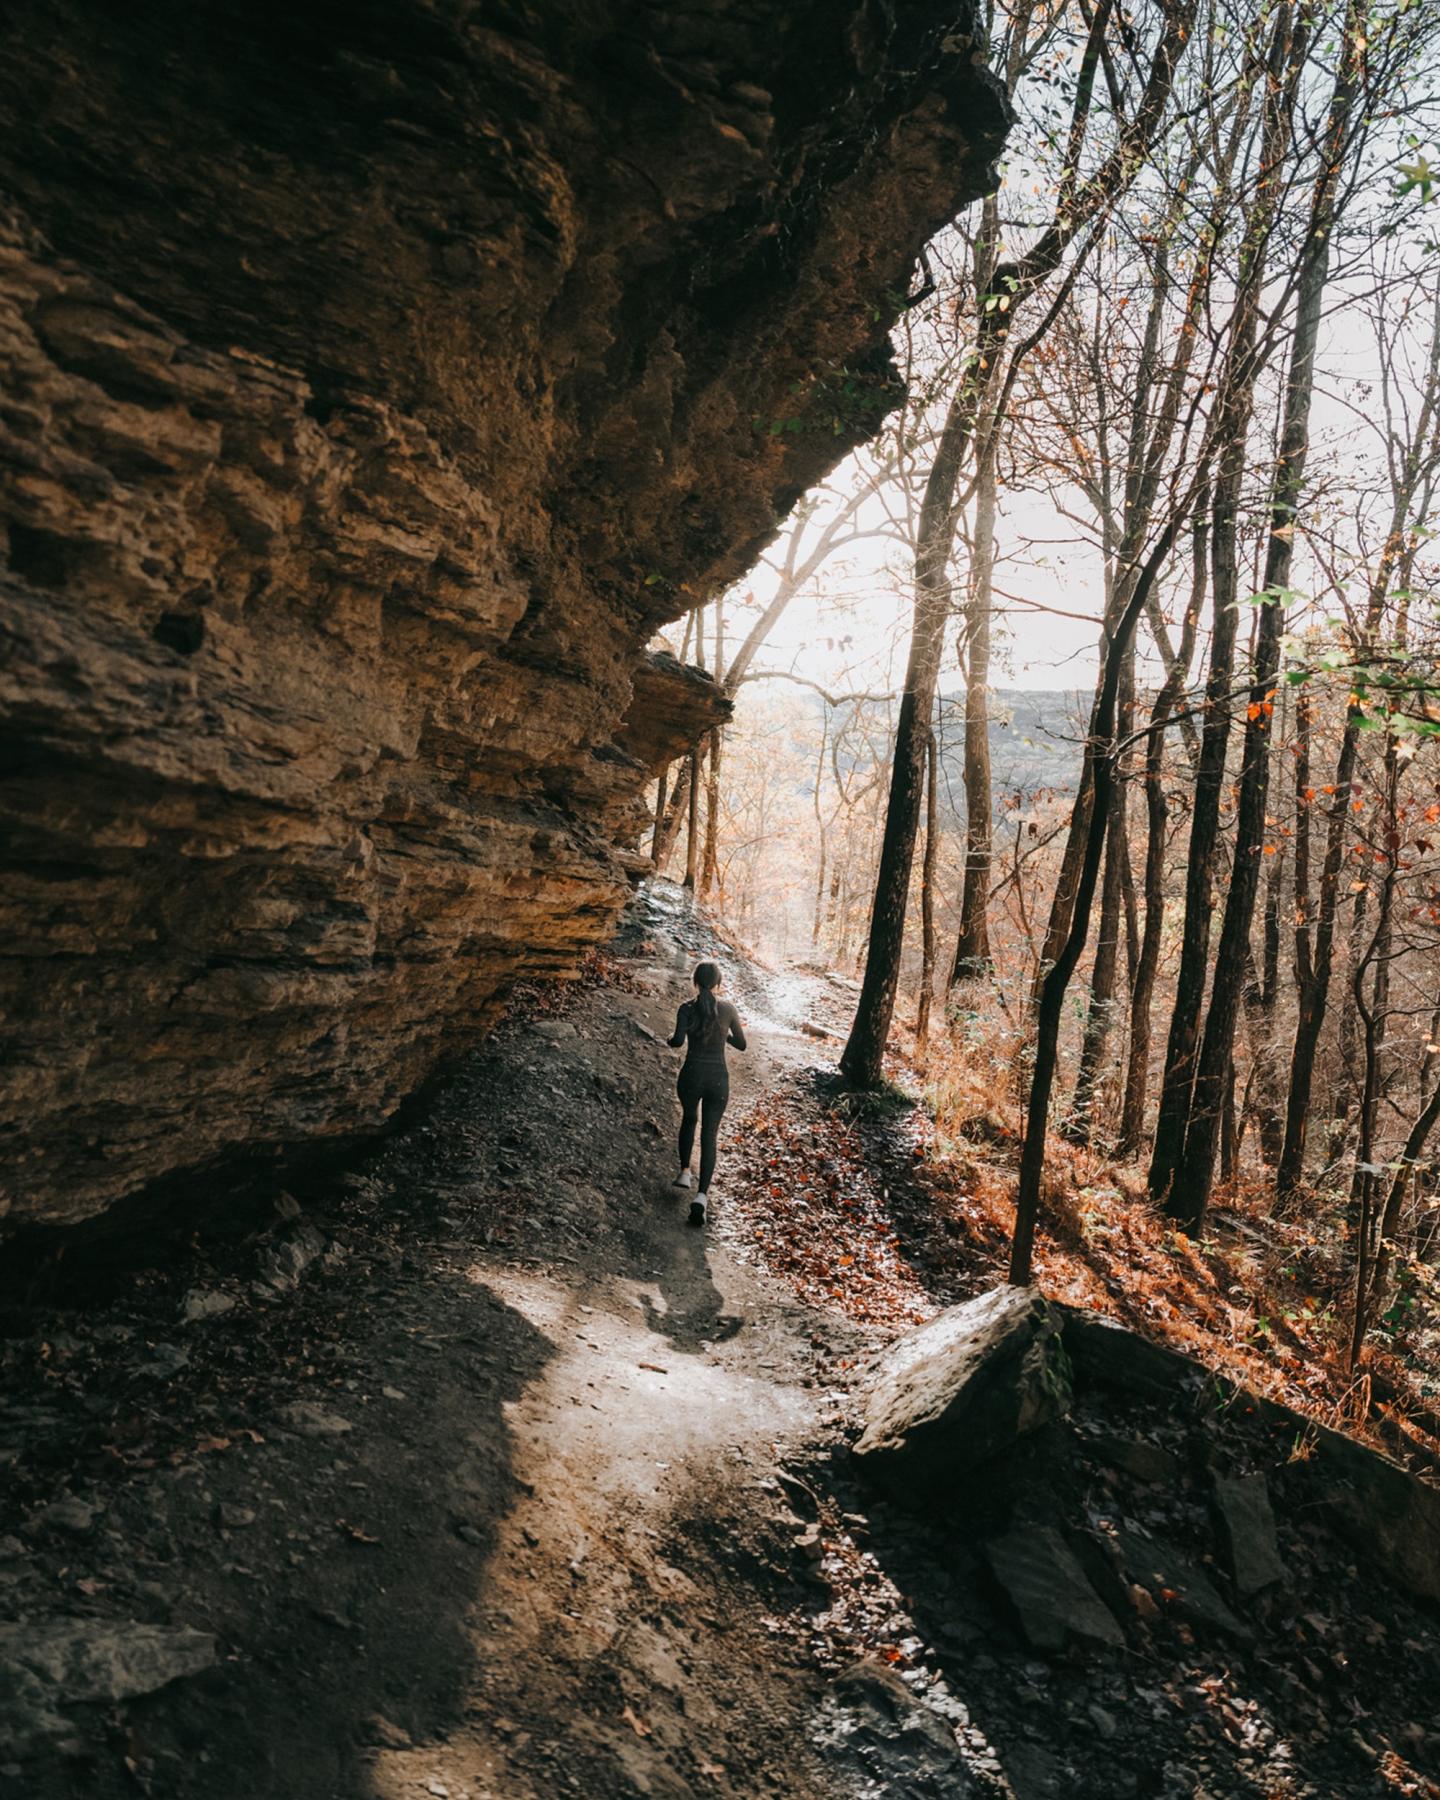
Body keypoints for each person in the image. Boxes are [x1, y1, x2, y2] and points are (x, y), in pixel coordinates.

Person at [667, 961, 746, 1227]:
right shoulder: (728, 1009)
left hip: (691, 1075)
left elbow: (677, 1042)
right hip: (718, 1080)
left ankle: (685, 1172)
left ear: (695, 982)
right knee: (710, 1134)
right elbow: (742, 1044)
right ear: (718, 983)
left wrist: (671, 1038)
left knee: (689, 1119)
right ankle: (701, 1196)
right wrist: (723, 1035)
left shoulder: (686, 1009)